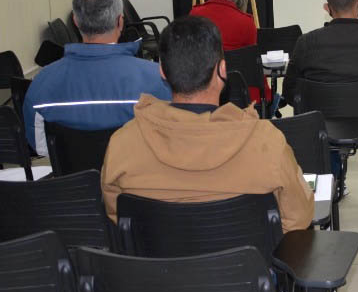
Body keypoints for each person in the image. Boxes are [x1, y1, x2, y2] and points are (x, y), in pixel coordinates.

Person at [101, 16, 313, 232]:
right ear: (222, 70)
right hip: (247, 265)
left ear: (162, 71)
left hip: (158, 265)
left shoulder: (123, 143)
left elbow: (117, 218)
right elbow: (298, 218)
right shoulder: (267, 142)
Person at [23, 0, 170, 154]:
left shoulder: (43, 81)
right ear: (120, 21)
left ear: (76, 21)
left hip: (72, 180)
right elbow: (169, 139)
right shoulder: (158, 79)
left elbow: (39, 146)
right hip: (136, 178)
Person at [189, 0, 271, 105]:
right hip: (237, 95)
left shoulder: (195, 14)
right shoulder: (246, 22)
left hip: (201, 88)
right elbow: (252, 63)